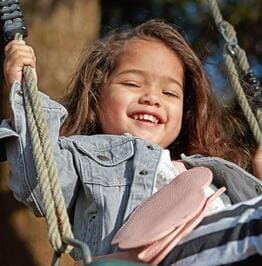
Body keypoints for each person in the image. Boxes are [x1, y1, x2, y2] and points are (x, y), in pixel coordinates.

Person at [1, 19, 262, 265]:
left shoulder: (205, 170)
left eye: (169, 92)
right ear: (97, 96)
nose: (151, 97)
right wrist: (23, 90)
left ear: (187, 111)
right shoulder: (82, 158)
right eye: (132, 83)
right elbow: (38, 176)